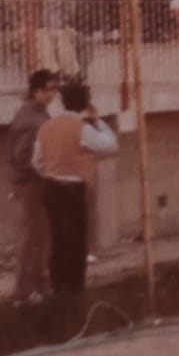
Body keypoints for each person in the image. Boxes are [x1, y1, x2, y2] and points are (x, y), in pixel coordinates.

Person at [34, 81, 119, 294]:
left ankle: (57, 285)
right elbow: (110, 145)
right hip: (72, 188)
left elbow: (36, 161)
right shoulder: (82, 128)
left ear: (63, 101)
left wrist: (51, 171)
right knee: (77, 240)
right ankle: (74, 287)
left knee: (58, 238)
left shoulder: (46, 127)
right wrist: (98, 120)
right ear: (84, 104)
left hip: (51, 187)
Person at [8, 69, 59, 305]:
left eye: (55, 89)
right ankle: (22, 291)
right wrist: (43, 172)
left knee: (41, 236)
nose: (52, 94)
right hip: (31, 182)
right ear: (36, 90)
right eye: (48, 90)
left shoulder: (38, 112)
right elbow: (21, 157)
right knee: (30, 237)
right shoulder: (30, 118)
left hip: (38, 181)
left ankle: (40, 283)